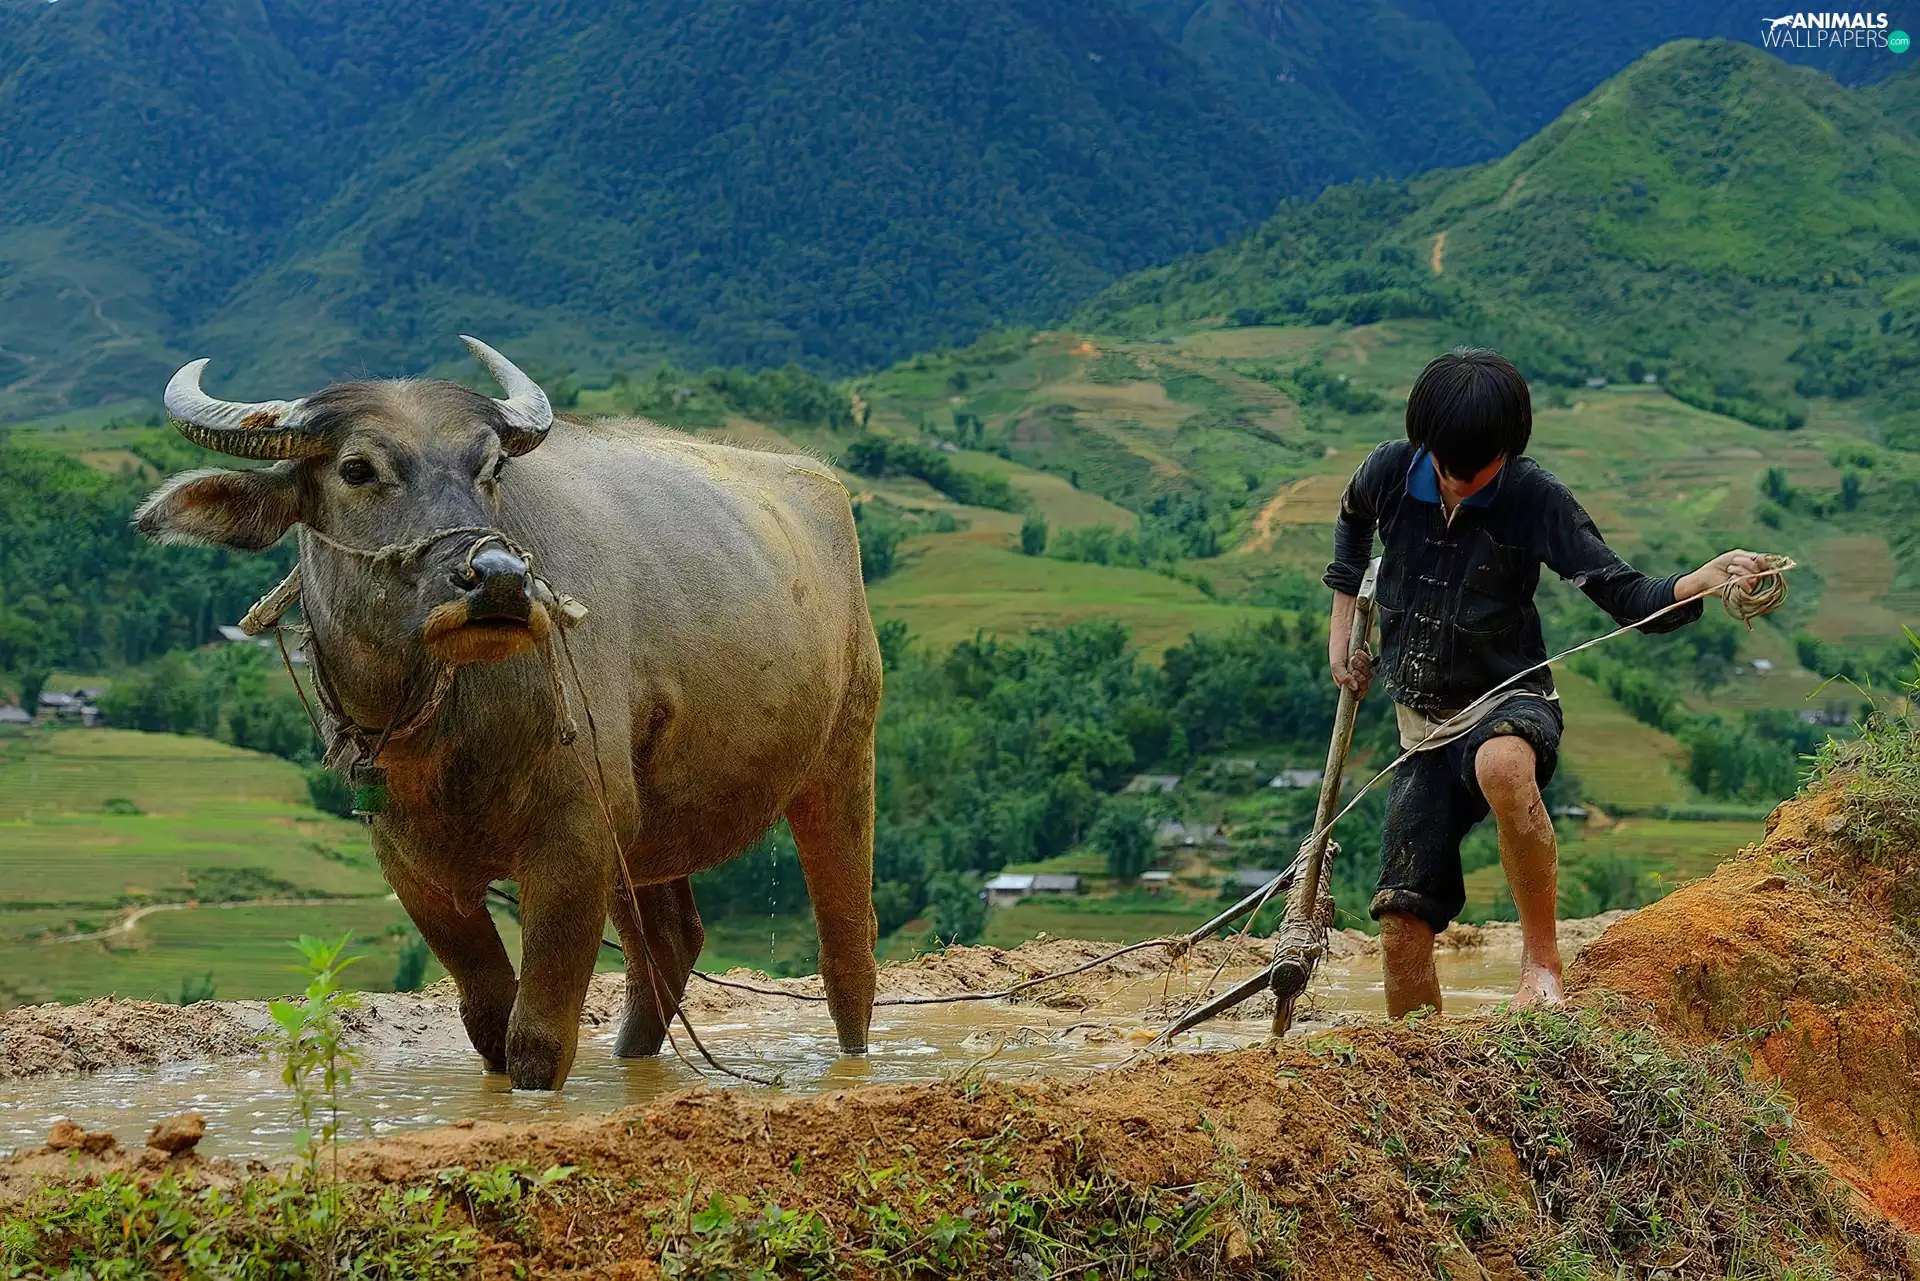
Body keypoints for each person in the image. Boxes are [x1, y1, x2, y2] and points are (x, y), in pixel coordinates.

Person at [1324, 348, 1768, 1016]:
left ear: (1507, 450)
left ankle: (1541, 962)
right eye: (1448, 470)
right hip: (1421, 725)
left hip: (1511, 698)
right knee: (1399, 924)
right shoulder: (1390, 470)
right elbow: (1352, 517)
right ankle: (1421, 1063)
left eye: (1476, 473)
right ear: (1426, 445)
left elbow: (1626, 595)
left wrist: (1702, 579)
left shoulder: (1535, 498)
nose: (1459, 485)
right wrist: (1343, 633)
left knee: (1504, 766)